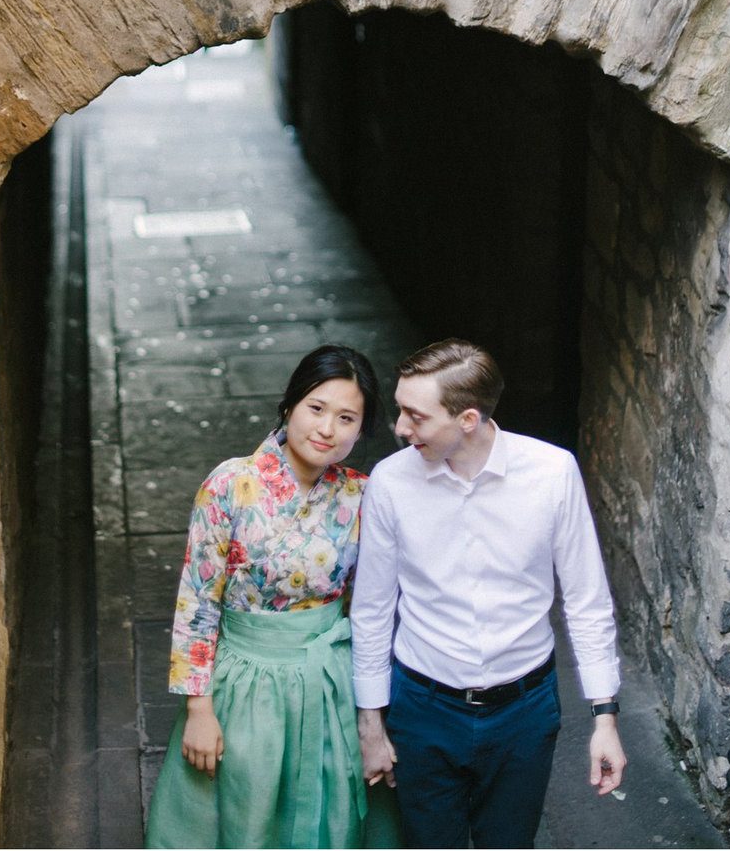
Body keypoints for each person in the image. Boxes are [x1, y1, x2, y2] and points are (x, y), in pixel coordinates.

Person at [351, 338, 626, 850]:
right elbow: (370, 611)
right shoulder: (390, 482)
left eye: (415, 415)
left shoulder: (552, 473)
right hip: (423, 706)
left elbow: (587, 601)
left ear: (468, 420)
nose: (400, 428)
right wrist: (372, 725)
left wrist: (604, 717)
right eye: (400, 410)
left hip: (524, 711)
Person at [146, 344, 398, 850]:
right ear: (290, 406)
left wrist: (374, 715)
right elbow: (198, 601)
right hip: (246, 681)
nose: (328, 429)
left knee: (333, 818)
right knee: (246, 813)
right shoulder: (230, 485)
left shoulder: (362, 495)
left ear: (361, 429)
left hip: (330, 684)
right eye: (317, 408)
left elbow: (372, 606)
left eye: (347, 418)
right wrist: (200, 710)